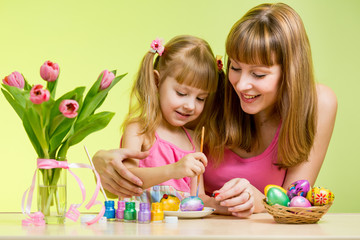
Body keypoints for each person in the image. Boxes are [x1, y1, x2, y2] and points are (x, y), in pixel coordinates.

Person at [93, 3, 337, 217]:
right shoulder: (214, 95)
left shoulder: (317, 104)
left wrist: (261, 202)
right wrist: (101, 160)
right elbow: (158, 139)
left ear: (290, 72)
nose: (240, 85)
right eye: (236, 67)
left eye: (259, 74)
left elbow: (295, 203)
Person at [98, 35, 219, 202]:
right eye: (182, 93)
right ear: (156, 81)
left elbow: (198, 197)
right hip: (141, 226)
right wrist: (174, 170)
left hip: (182, 228)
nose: (191, 105)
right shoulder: (140, 130)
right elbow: (127, 178)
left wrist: (221, 204)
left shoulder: (194, 141)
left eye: (200, 98)